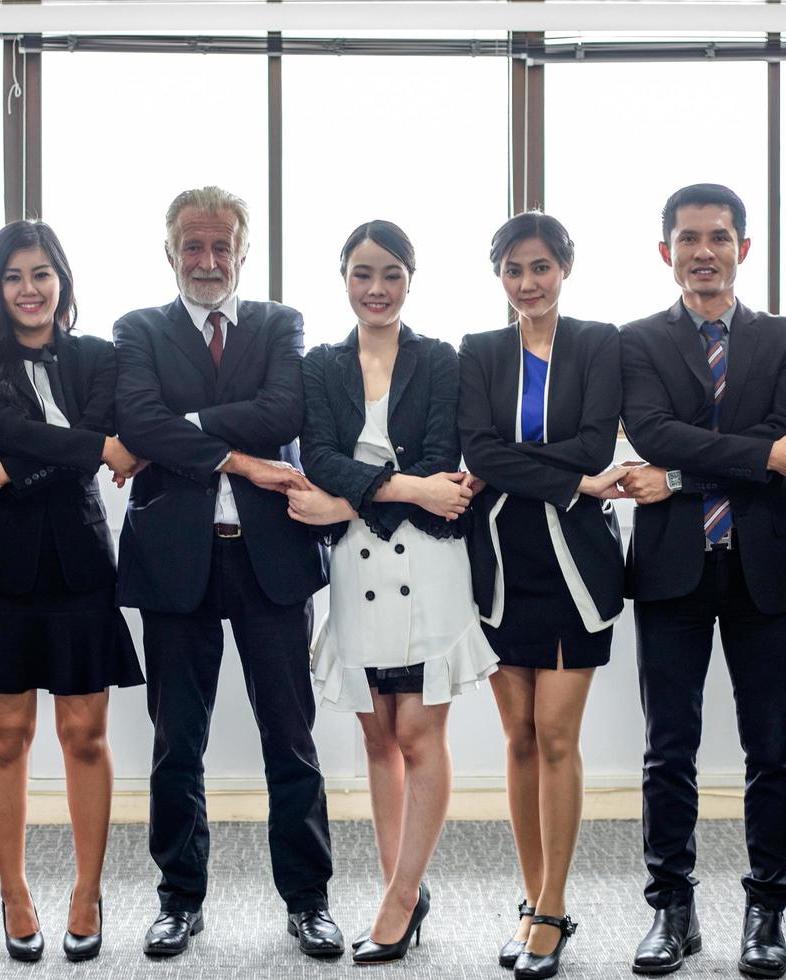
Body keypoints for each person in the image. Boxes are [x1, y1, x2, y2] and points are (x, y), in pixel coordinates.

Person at [113, 186, 339, 959]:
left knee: (292, 738)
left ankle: (309, 900)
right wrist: (223, 447)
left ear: (244, 252)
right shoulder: (138, 328)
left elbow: (284, 413)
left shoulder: (280, 323)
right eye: (192, 246)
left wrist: (183, 430)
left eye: (221, 247)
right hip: (177, 559)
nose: (207, 262)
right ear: (169, 250)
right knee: (178, 742)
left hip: (268, 557)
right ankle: (179, 899)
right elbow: (133, 421)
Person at [617, 183, 786, 978]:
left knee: (772, 752)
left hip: (764, 567)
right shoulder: (637, 340)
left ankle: (766, 908)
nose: (705, 251)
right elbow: (654, 430)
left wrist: (681, 474)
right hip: (672, 569)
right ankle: (672, 908)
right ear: (666, 251)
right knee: (669, 749)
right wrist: (756, 457)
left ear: (745, 247)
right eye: (689, 238)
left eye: (720, 237)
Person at [288, 220, 498, 964]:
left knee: (420, 734)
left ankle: (403, 896)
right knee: (377, 736)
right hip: (356, 564)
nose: (376, 290)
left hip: (431, 565)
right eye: (362, 274)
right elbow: (319, 457)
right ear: (342, 276)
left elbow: (447, 459)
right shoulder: (319, 364)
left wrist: (345, 500)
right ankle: (394, 886)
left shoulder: (441, 359)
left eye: (391, 276)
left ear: (412, 278)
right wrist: (402, 491)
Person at [0, 220, 145, 964]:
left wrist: (11, 470)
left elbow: (76, 444)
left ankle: (87, 892)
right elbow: (7, 426)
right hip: (1, 568)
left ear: (62, 280)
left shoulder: (99, 358)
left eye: (42, 274)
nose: (30, 290)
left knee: (85, 737)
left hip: (79, 564)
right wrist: (88, 446)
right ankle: (15, 892)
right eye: (14, 277)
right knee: (6, 738)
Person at [456, 212, 628, 980]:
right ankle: (532, 903)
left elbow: (596, 446)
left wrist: (519, 465)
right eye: (514, 270)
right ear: (500, 277)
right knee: (519, 737)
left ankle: (554, 906)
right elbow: (477, 448)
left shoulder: (599, 343)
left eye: (541, 267)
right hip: (497, 564)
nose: (528, 282)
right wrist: (559, 475)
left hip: (575, 565)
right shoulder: (481, 351)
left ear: (565, 268)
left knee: (557, 737)